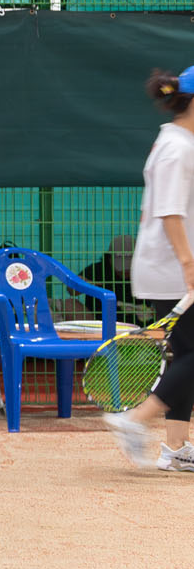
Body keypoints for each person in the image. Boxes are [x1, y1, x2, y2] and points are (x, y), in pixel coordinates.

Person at [106, 65, 194, 472]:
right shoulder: (178, 147)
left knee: (187, 356)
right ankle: (135, 419)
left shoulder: (178, 141)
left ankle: (175, 447)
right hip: (174, 270)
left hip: (171, 268)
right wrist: (189, 264)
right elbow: (170, 212)